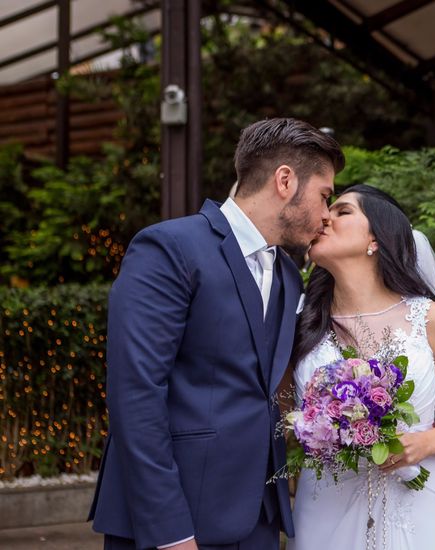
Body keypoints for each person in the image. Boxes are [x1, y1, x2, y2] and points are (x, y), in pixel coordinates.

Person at [88, 118, 344, 550]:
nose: (325, 214)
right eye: (324, 195)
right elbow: (136, 393)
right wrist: (171, 531)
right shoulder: (170, 248)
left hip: (260, 517)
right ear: (285, 180)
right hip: (174, 519)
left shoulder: (288, 274)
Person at [288, 184, 435, 549]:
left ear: (376, 239)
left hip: (415, 506)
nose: (325, 217)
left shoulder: (429, 319)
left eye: (343, 211)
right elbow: (281, 413)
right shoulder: (300, 322)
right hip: (324, 506)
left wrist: (425, 442)